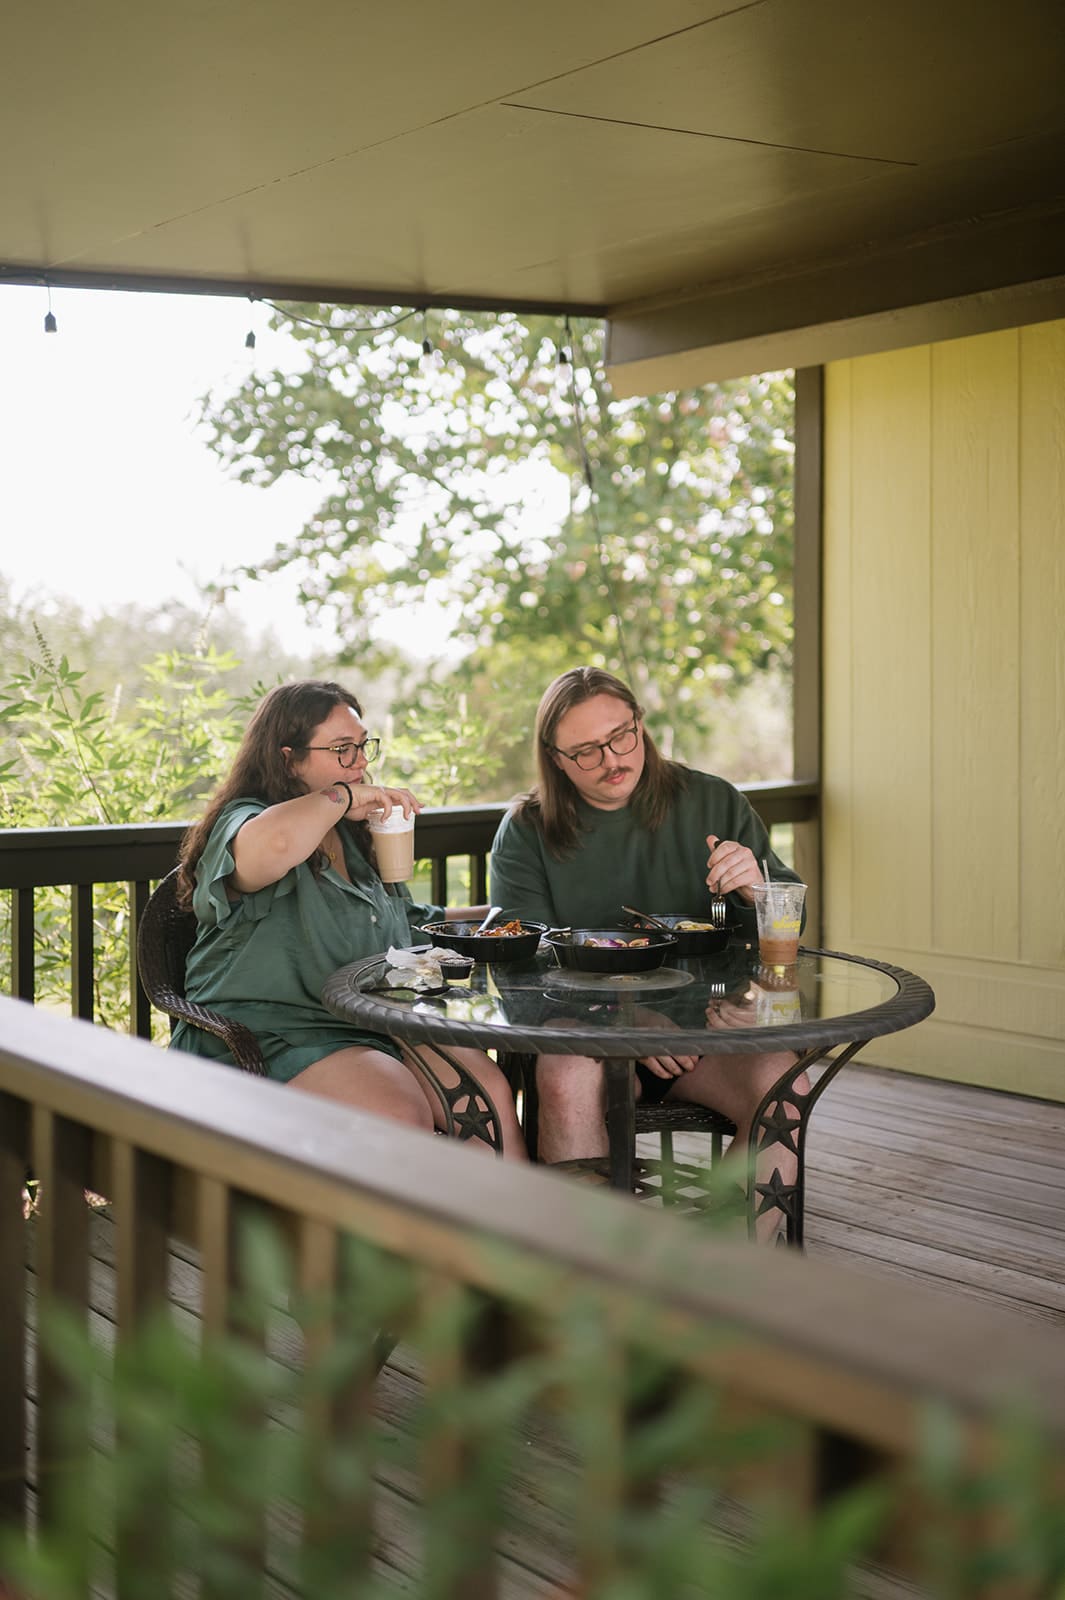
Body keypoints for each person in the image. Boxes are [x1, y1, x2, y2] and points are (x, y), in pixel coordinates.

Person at [489, 666, 803, 1216]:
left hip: (705, 1036)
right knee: (563, 1076)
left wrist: (758, 889)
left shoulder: (713, 802)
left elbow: (790, 923)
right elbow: (522, 969)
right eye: (586, 751)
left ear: (640, 723)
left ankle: (738, 1267)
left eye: (620, 735)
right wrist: (626, 1021)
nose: (612, 759)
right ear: (556, 760)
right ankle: (585, 1280)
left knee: (782, 1083)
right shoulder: (526, 831)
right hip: (583, 1037)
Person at [172, 680, 525, 1158]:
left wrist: (511, 916)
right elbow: (269, 848)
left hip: (368, 1023)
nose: (360, 762)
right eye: (341, 750)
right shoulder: (249, 819)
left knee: (489, 1093)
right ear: (287, 757)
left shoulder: (354, 838)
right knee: (399, 1111)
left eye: (362, 746)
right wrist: (342, 797)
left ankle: (507, 1225)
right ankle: (407, 1229)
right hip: (271, 1033)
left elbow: (407, 921)